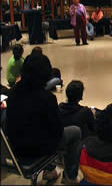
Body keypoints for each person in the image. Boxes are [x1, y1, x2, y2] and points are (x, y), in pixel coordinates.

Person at [6, 54, 82, 184]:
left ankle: (51, 170)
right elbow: (57, 131)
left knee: (39, 130)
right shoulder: (47, 98)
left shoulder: (12, 93)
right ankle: (70, 176)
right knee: (75, 131)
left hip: (15, 148)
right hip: (39, 149)